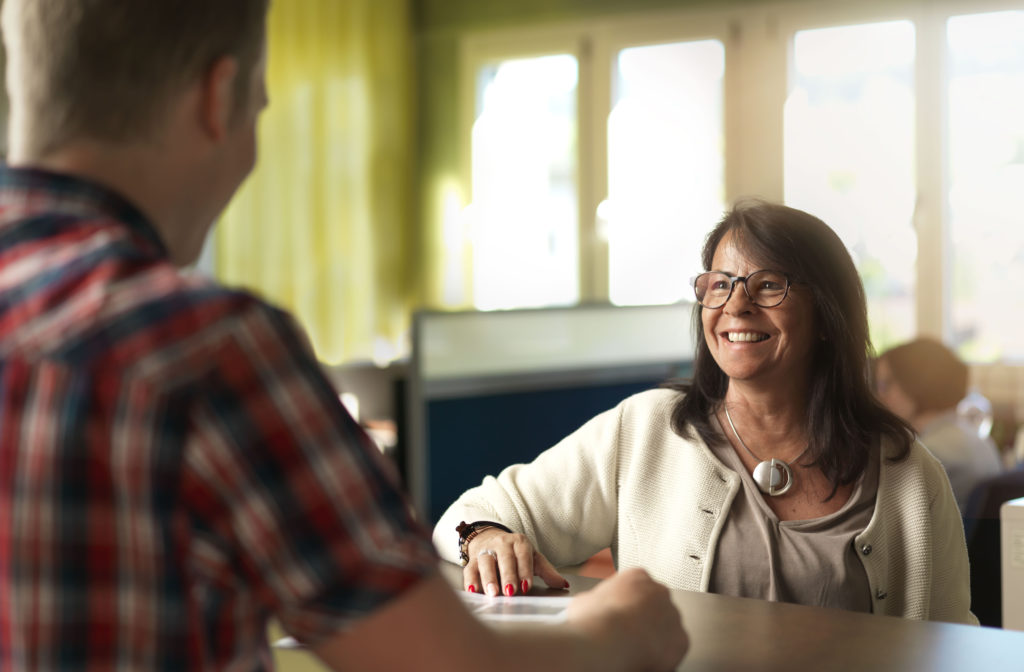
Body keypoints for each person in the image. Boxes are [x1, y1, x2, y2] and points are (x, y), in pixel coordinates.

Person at [0, 2, 688, 670]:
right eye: (258, 108)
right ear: (218, 98)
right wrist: (614, 632)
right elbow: (443, 663)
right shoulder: (207, 347)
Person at [434, 200, 976, 625]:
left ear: (828, 313)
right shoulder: (646, 429)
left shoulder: (909, 474)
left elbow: (955, 644)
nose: (736, 305)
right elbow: (469, 512)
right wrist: (484, 535)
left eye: (768, 285)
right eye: (720, 285)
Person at [874, 338, 1003, 514]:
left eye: (885, 385)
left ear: (913, 385)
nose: (879, 396)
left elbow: (888, 523)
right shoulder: (982, 442)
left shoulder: (927, 454)